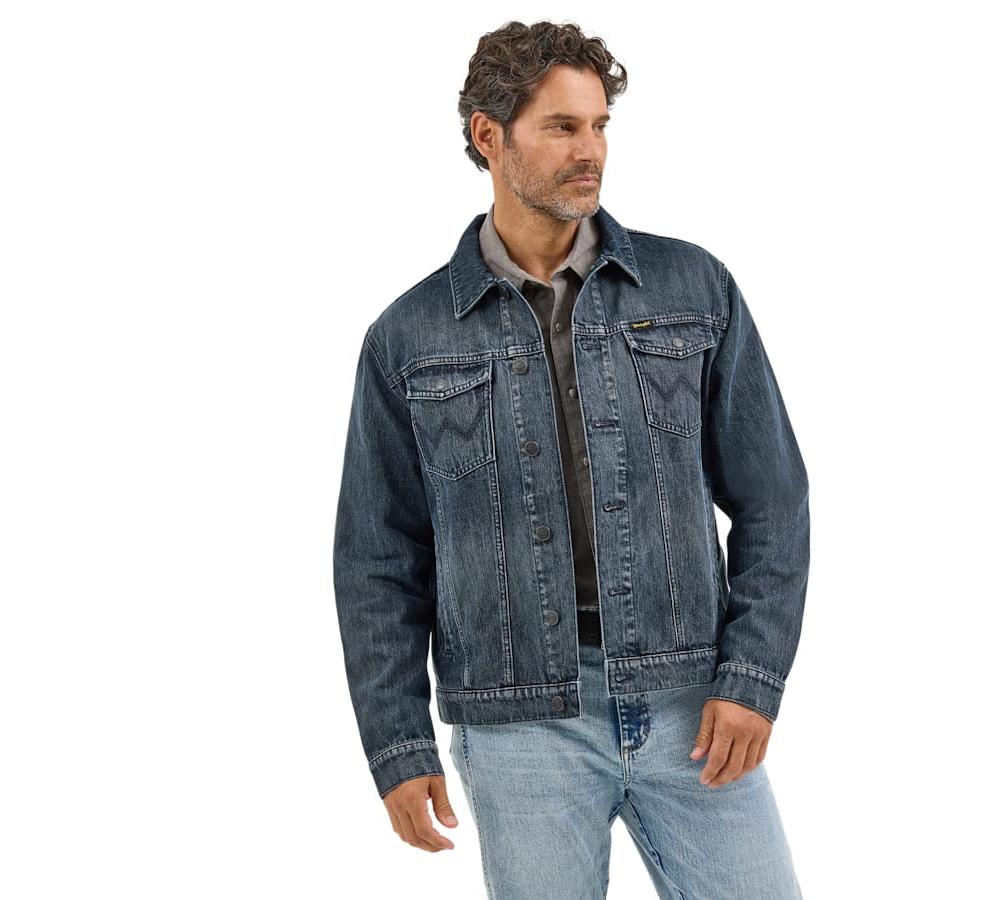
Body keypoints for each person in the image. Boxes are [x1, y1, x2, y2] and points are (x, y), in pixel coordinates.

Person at [333, 20, 809, 899]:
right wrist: (397, 743)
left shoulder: (693, 288)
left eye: (599, 125)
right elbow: (377, 559)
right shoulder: (408, 338)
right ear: (489, 136)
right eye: (561, 126)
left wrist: (752, 676)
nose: (590, 150)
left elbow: (774, 499)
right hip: (519, 724)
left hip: (691, 703)